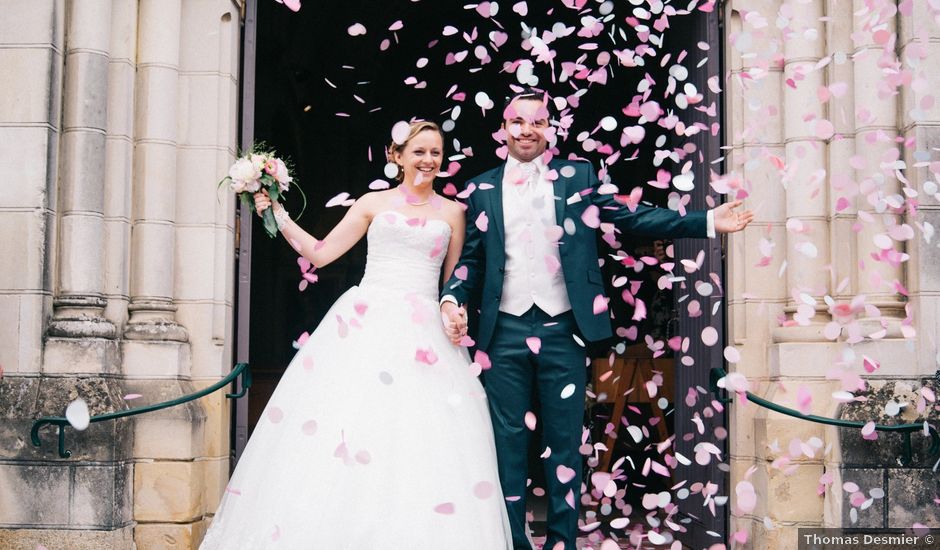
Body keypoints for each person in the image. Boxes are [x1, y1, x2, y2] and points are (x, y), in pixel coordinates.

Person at [439, 89, 753, 550]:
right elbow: (469, 262)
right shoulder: (482, 188)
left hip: (564, 328)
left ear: (551, 128)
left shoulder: (579, 177)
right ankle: (513, 542)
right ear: (502, 129)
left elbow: (632, 216)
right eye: (517, 122)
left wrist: (704, 222)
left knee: (565, 443)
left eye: (537, 122)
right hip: (502, 331)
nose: (527, 130)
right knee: (505, 442)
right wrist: (451, 299)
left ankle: (561, 543)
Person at [201, 121, 511, 549]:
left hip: (425, 334)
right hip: (367, 322)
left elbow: (455, 282)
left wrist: (454, 312)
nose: (428, 160)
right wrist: (277, 213)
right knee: (351, 427)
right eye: (418, 151)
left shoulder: (453, 213)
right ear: (396, 155)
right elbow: (321, 252)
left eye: (435, 152)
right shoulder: (371, 203)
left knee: (422, 438)